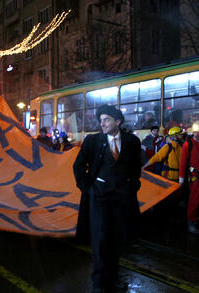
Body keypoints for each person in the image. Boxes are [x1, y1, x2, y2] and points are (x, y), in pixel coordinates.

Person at [73, 104, 141, 292]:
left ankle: (113, 279)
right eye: (101, 120)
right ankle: (99, 283)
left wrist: (132, 186)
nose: (101, 123)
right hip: (99, 199)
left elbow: (136, 168)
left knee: (117, 239)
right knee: (100, 240)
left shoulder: (132, 142)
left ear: (117, 122)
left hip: (122, 200)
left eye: (106, 120)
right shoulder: (92, 141)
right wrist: (88, 188)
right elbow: (78, 166)